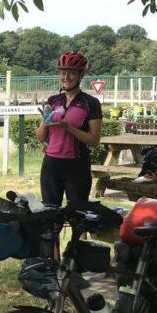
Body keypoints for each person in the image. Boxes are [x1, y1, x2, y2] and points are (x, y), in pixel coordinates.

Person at [37, 51, 103, 205]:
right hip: (51, 165)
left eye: (71, 73)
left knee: (78, 218)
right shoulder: (53, 101)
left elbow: (94, 141)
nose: (66, 77)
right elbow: (41, 138)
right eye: (63, 72)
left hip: (77, 166)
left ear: (80, 75)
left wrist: (68, 127)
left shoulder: (91, 103)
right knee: (50, 216)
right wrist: (44, 122)